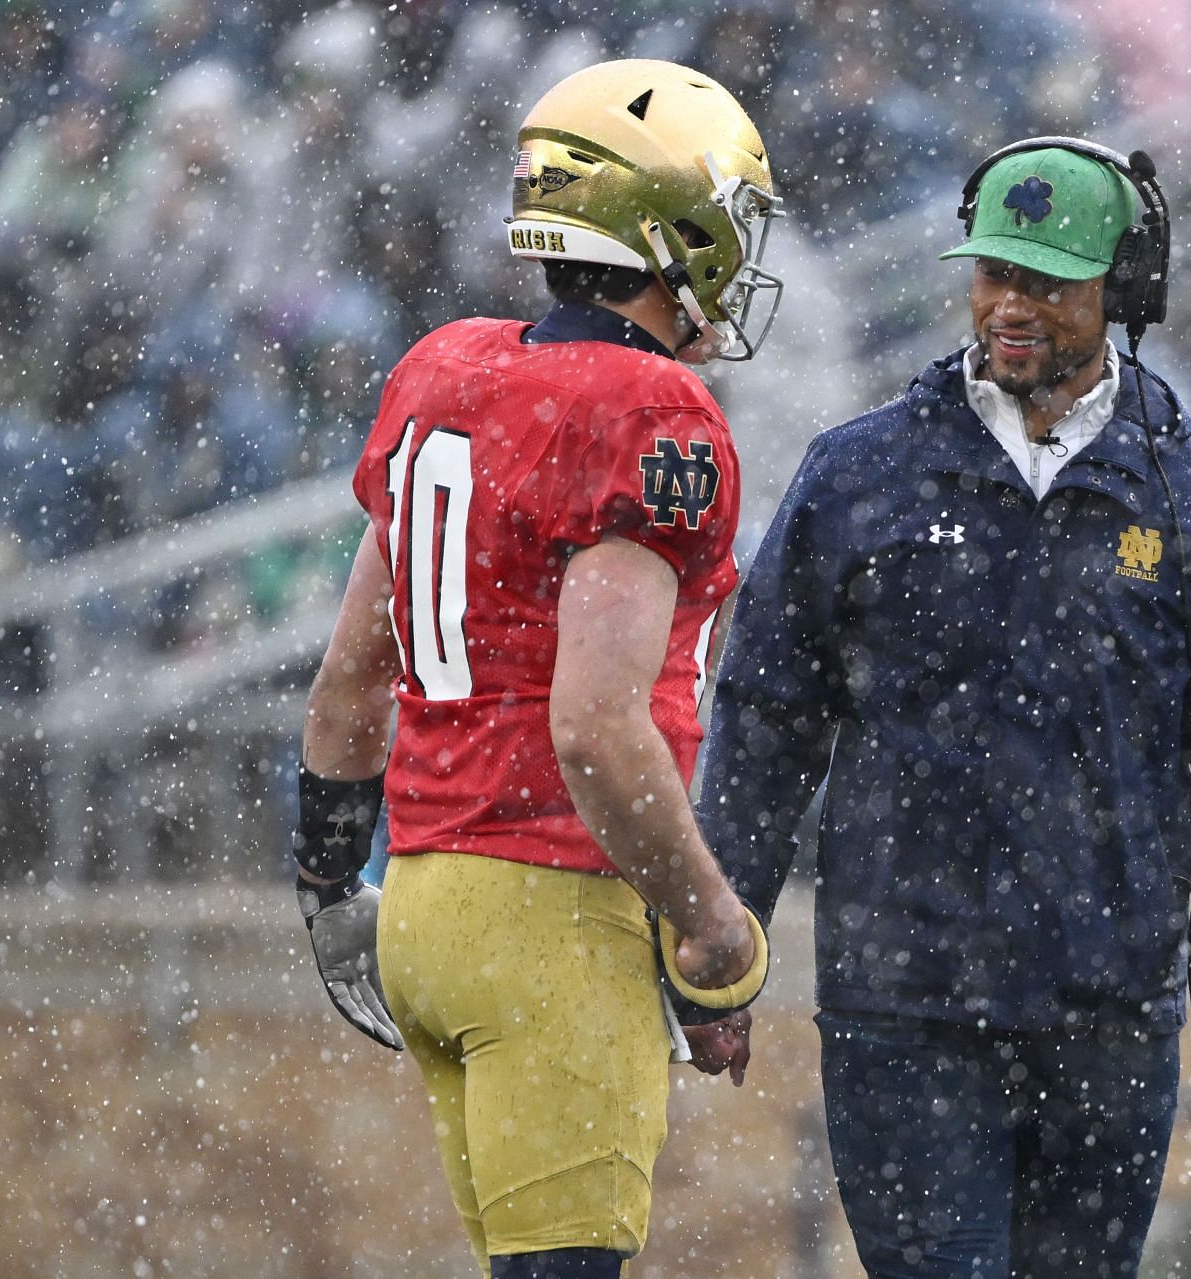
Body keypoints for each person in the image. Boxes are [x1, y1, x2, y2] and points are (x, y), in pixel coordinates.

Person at [690, 139, 1191, 1277]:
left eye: (1049, 279)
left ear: (1123, 290)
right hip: (904, 1007)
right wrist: (714, 957)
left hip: (1113, 1010)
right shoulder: (855, 478)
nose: (1012, 306)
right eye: (996, 273)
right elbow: (763, 722)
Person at [290, 59, 784, 1279]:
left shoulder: (445, 367)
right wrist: (714, 931)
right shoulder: (652, 406)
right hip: (553, 915)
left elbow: (351, 681)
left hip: (419, 906)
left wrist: (325, 883)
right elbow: (599, 729)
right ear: (673, 225)